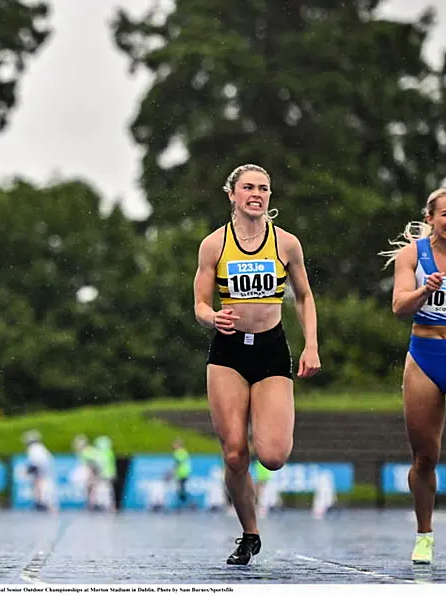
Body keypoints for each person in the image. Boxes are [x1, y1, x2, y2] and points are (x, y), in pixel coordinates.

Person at [192, 164, 321, 565]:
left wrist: (311, 345)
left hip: (270, 351)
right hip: (228, 355)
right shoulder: (214, 245)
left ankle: (253, 514)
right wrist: (213, 317)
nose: (256, 194)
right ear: (231, 194)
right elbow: (198, 303)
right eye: (248, 187)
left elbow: (303, 296)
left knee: (273, 457)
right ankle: (250, 532)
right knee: (234, 454)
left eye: (263, 188)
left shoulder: (286, 244)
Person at [380, 187, 446, 565]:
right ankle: (424, 536)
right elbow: (399, 306)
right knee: (425, 457)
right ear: (432, 218)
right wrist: (426, 289)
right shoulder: (413, 255)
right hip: (425, 355)